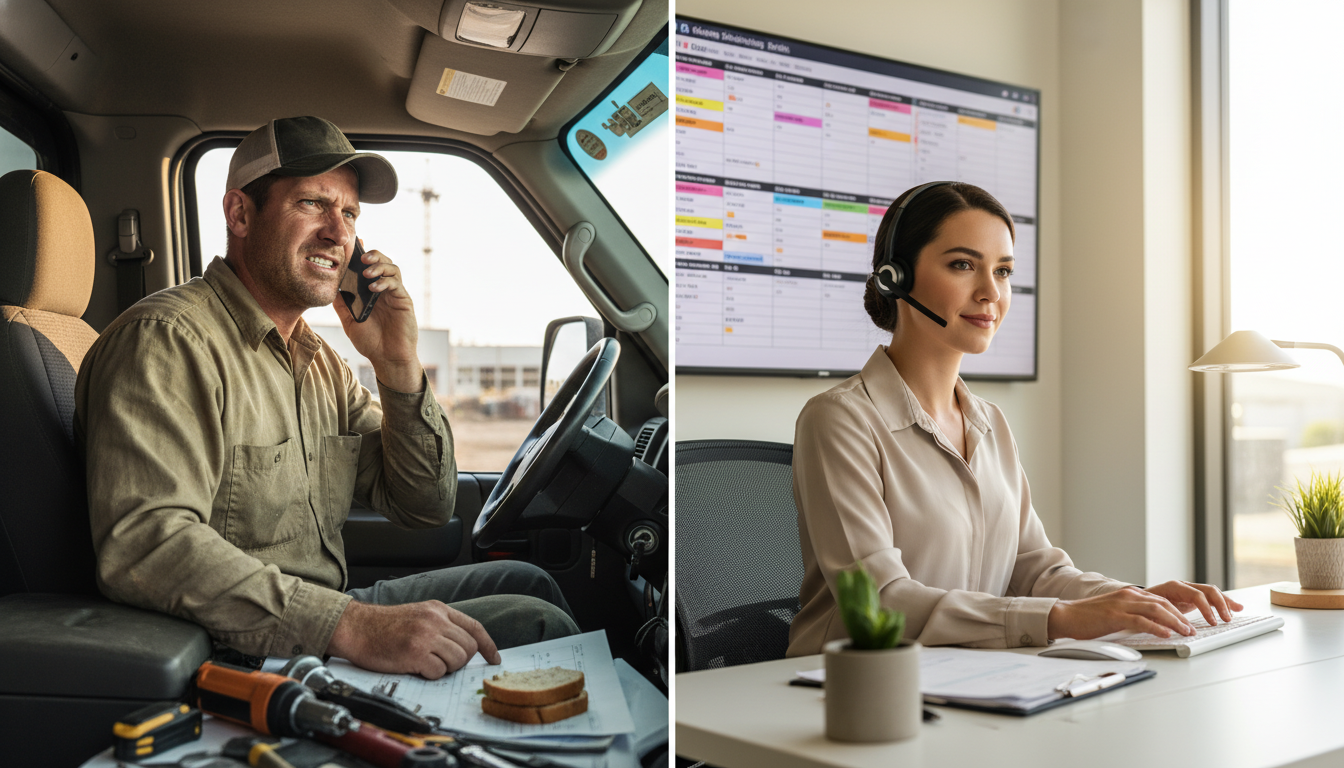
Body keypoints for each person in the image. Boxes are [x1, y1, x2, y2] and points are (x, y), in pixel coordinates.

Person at [75, 116, 577, 679]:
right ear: (240, 214)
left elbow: (424, 506)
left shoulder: (320, 362)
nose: (339, 234)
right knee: (536, 623)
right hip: (245, 647)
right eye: (312, 204)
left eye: (350, 213)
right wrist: (353, 626)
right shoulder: (168, 341)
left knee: (526, 582)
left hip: (327, 613)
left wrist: (397, 364)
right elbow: (148, 546)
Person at [787, 181, 1242, 656]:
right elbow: (879, 601)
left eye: (1002, 271)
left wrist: (1130, 600)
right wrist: (1061, 619)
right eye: (962, 265)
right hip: (850, 690)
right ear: (896, 277)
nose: (990, 292)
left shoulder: (989, 423)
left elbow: (1034, 569)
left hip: (965, 678)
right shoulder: (840, 421)